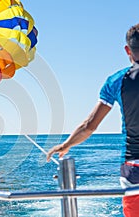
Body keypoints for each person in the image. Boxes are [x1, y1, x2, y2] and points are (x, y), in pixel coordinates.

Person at [46, 23, 139, 217]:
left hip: (133, 170)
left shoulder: (116, 81)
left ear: (127, 50)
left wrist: (66, 145)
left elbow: (89, 126)